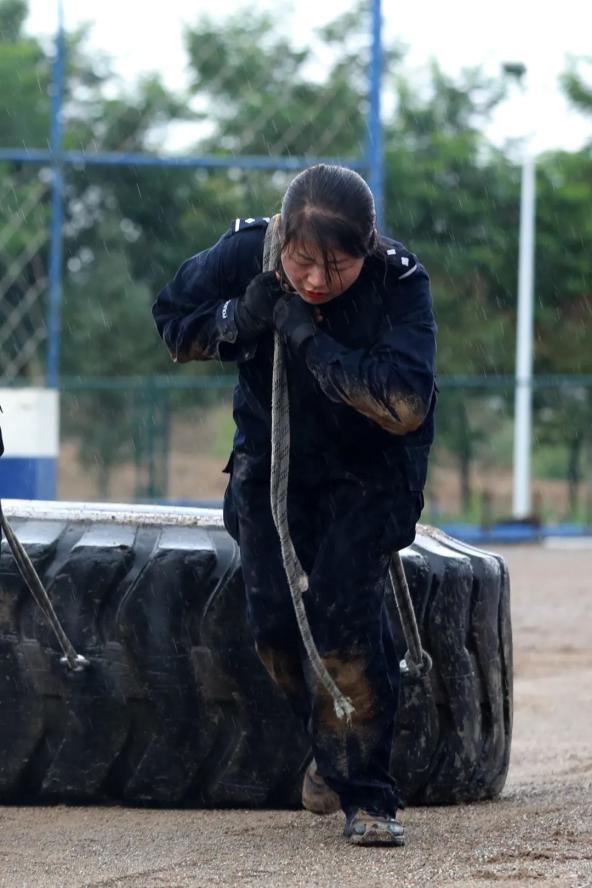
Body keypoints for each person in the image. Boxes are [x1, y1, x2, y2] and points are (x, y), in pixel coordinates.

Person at [152, 164, 437, 846]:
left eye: (334, 267)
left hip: (369, 474)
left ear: (365, 250)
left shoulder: (399, 283)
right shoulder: (243, 252)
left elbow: (404, 405)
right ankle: (332, 750)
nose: (313, 280)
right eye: (301, 261)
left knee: (342, 619)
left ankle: (369, 795)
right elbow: (172, 323)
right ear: (281, 236)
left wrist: (312, 340)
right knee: (275, 630)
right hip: (270, 468)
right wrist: (237, 319)